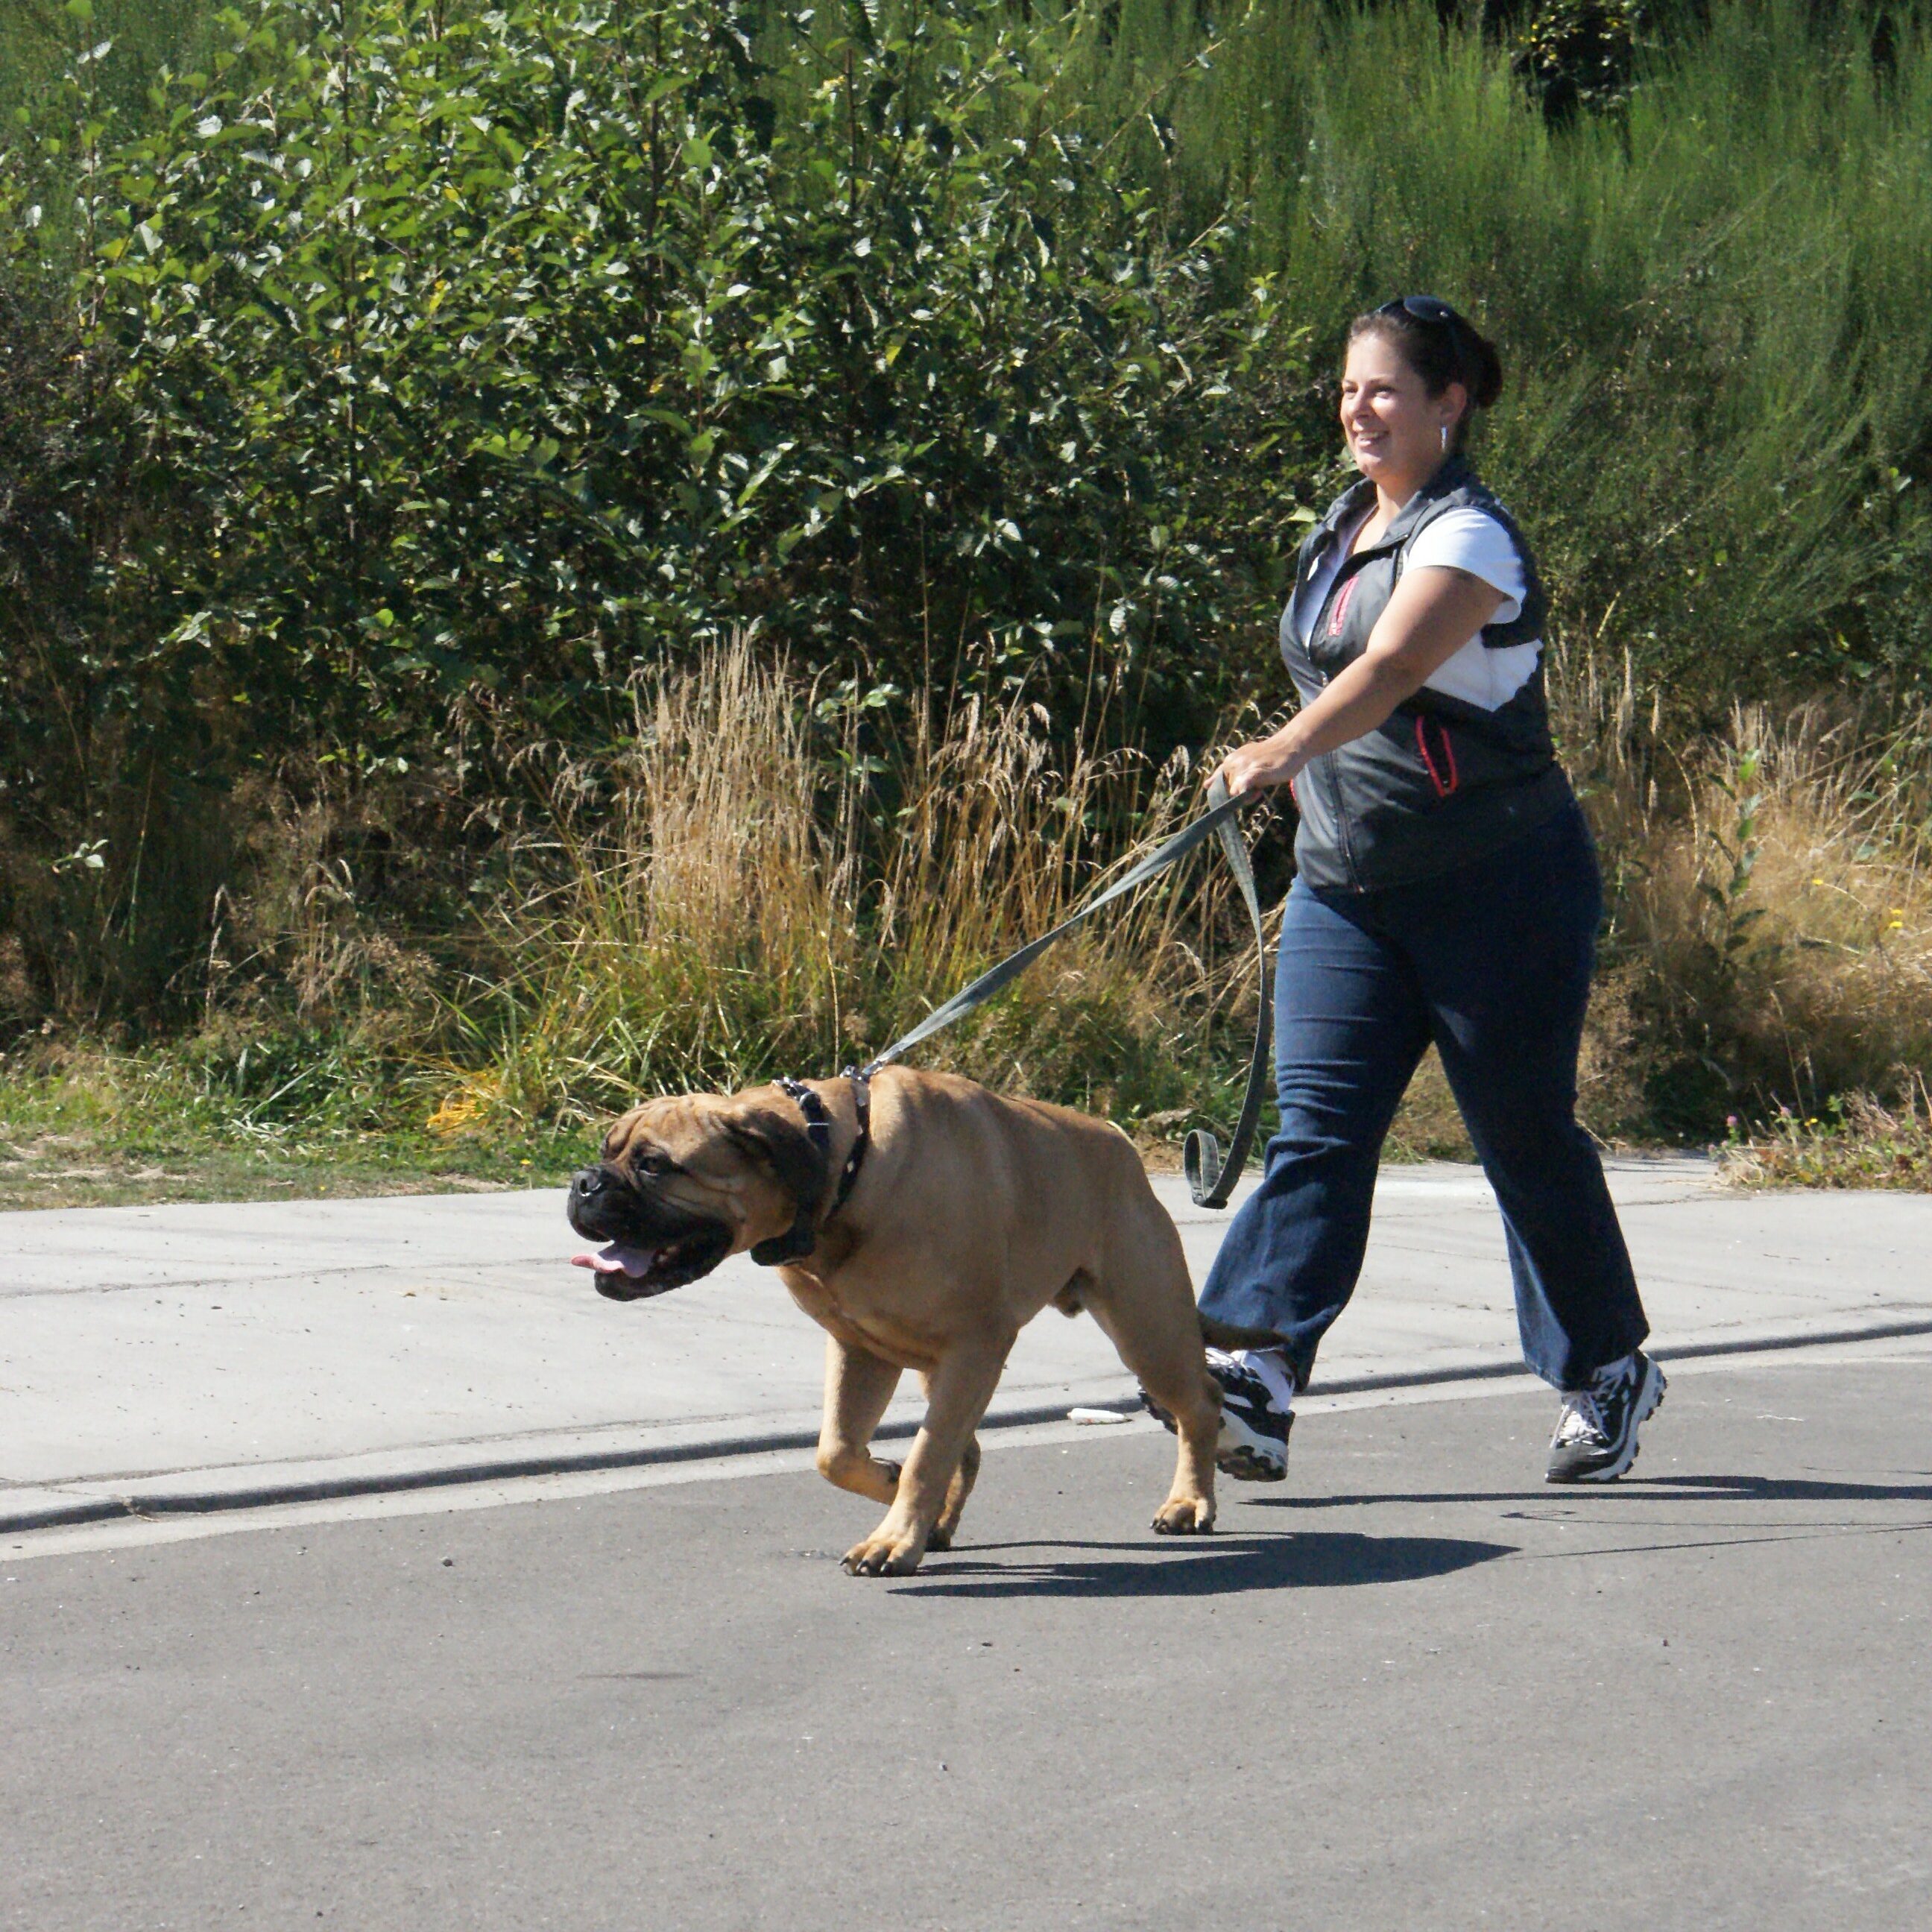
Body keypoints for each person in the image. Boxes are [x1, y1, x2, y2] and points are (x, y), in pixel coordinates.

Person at [1166, 295, 1663, 1485]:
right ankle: (1256, 1374)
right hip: (1349, 891)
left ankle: (1605, 1369)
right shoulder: (1342, 526)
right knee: (1319, 1136)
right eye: (1348, 387)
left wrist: (1282, 750)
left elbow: (1389, 670)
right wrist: (1307, 793)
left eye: (1385, 388)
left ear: (1450, 405)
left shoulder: (1470, 539)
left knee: (1522, 1139)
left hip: (1502, 888)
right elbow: (1343, 685)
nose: (1358, 407)